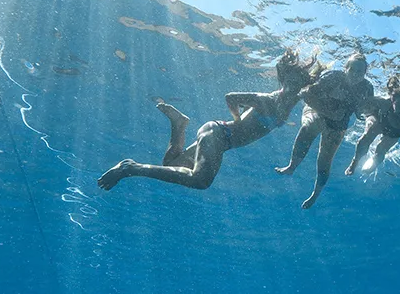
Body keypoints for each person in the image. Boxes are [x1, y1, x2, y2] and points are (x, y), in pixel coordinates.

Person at [97, 49, 320, 191]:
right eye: (289, 84)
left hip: (220, 137)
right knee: (200, 181)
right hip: (219, 135)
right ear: (283, 81)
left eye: (297, 85)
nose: (292, 89)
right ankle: (130, 168)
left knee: (171, 165)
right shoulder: (270, 100)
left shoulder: (291, 102)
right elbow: (231, 97)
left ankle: (179, 124)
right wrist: (236, 122)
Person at [276, 53, 374, 209]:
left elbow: (367, 109)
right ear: (345, 68)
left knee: (325, 159)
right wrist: (329, 112)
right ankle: (292, 166)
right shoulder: (333, 77)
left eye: (360, 72)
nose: (356, 75)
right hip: (317, 110)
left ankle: (315, 194)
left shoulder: (367, 88)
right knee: (309, 127)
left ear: (365, 74)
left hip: (338, 122)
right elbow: (306, 95)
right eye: (353, 70)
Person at [345, 77, 400, 176]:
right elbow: (360, 103)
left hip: (395, 132)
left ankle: (374, 163)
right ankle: (355, 162)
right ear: (392, 102)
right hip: (380, 121)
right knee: (367, 136)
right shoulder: (383, 102)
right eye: (398, 106)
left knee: (380, 151)